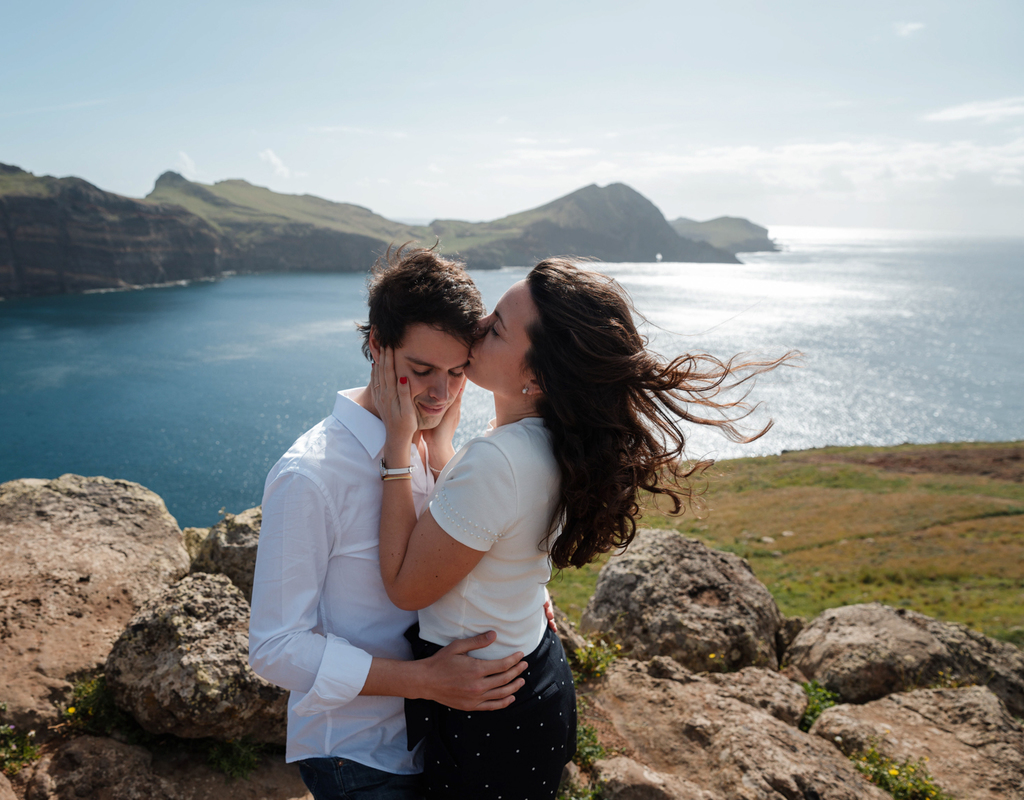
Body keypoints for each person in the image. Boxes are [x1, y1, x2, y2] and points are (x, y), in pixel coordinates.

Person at [373, 258, 795, 799]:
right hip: (532, 673)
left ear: (537, 376)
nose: (476, 328)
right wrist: (441, 448)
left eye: (496, 327)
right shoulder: (556, 441)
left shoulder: (499, 460)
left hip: (485, 708)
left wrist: (396, 447)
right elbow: (500, 530)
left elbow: (405, 586)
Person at [249, 246, 551, 800]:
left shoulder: (433, 448)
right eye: (421, 371)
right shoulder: (310, 474)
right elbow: (274, 647)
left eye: (458, 372)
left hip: (438, 739)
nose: (440, 394)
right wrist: (424, 681)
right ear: (376, 347)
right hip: (357, 752)